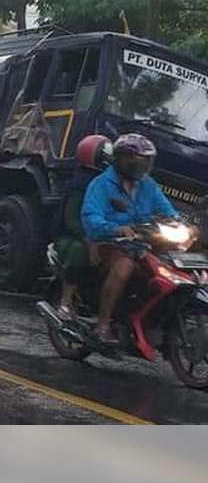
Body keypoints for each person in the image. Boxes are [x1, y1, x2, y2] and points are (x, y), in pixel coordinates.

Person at [81, 133, 178, 345]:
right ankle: (103, 325)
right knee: (124, 267)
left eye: (146, 161)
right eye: (137, 160)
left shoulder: (148, 185)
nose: (142, 166)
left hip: (141, 244)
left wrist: (180, 225)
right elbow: (91, 218)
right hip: (108, 243)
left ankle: (149, 321)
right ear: (121, 159)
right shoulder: (102, 184)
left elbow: (167, 210)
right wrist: (116, 229)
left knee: (170, 271)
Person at [54, 134, 113, 320]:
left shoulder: (113, 183)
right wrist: (89, 241)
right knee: (80, 252)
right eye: (107, 156)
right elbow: (72, 219)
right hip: (73, 236)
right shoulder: (80, 184)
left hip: (105, 234)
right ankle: (65, 302)